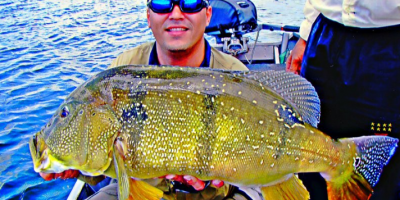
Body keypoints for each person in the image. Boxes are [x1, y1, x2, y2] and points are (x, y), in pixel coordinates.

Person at [40, 0, 250, 199]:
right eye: (162, 3)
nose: (176, 14)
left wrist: (212, 179)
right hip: (140, 191)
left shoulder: (236, 78)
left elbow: (252, 167)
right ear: (149, 17)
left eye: (191, 2)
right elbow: (105, 162)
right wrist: (75, 167)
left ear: (208, 15)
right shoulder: (120, 74)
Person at [286, 0, 400, 200]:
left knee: (384, 168)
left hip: (389, 40)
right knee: (311, 152)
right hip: (325, 34)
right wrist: (306, 33)